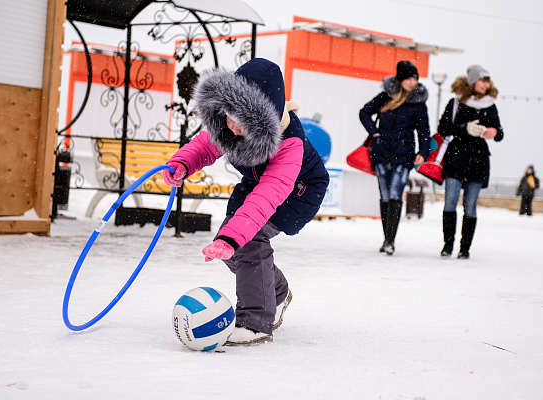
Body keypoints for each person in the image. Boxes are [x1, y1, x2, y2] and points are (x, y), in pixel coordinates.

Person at [163, 58, 329, 346]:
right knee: (228, 247)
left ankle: (255, 323)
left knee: (247, 239)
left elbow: (269, 194)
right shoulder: (229, 126)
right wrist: (181, 164)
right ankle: (275, 291)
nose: (233, 126)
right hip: (257, 183)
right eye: (229, 115)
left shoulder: (290, 145)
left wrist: (236, 236)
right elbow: (204, 145)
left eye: (243, 121)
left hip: (299, 191)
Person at [359, 60, 431, 255]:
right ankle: (386, 238)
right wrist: (374, 133)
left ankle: (390, 240)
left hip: (404, 154)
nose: (413, 82)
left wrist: (423, 153)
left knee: (394, 194)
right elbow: (364, 112)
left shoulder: (418, 104)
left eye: (415, 78)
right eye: (409, 78)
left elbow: (424, 132)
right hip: (381, 153)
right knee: (384, 195)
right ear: (400, 79)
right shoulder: (385, 97)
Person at [438, 65, 504, 259]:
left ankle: (465, 248)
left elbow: (499, 133)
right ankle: (448, 245)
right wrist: (464, 129)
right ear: (473, 81)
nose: (486, 84)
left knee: (470, 205)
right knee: (450, 202)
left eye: (487, 81)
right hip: (456, 157)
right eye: (482, 80)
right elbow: (443, 128)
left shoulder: (490, 105)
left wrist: (494, 132)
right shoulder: (456, 102)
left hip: (478, 160)